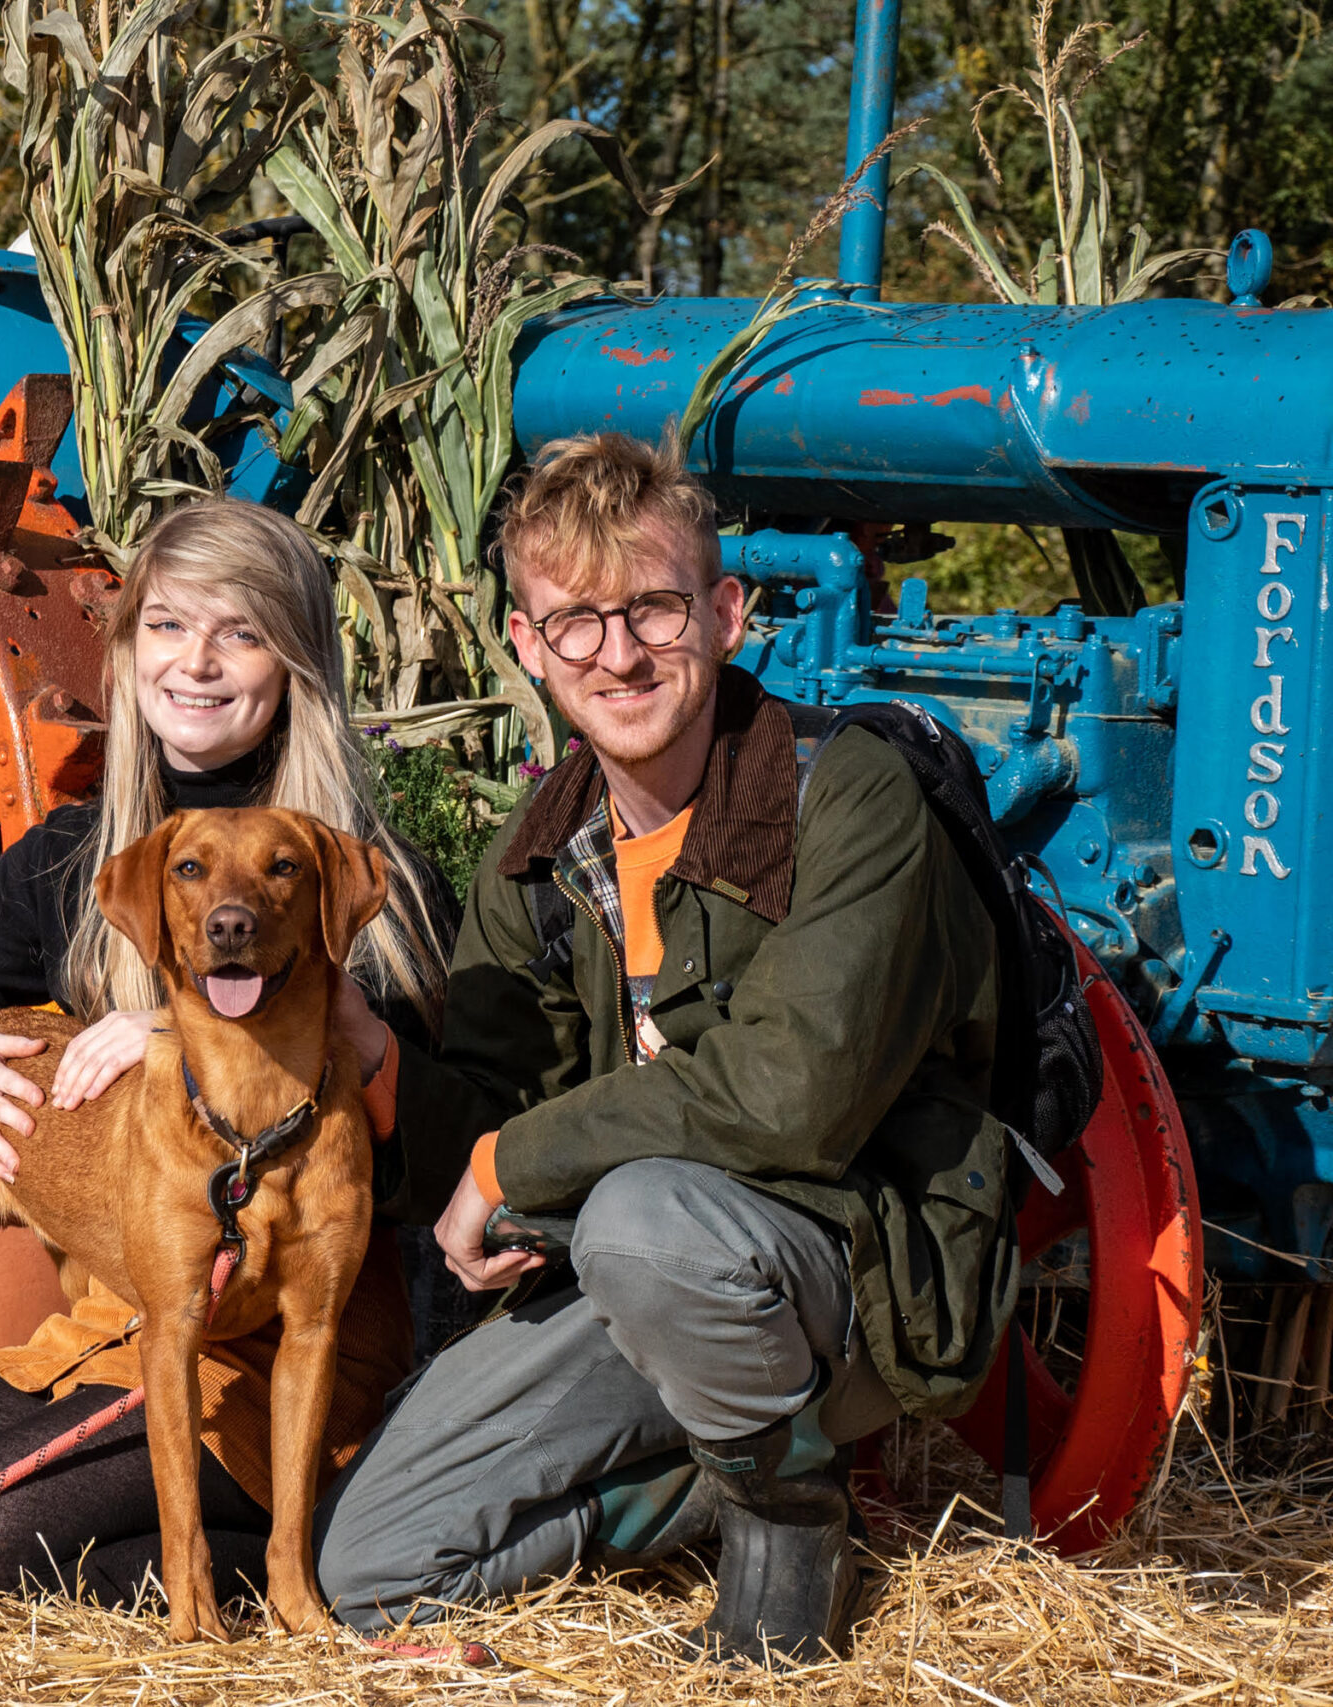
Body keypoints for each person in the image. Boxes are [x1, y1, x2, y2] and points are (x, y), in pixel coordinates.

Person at [313, 433, 1016, 1663]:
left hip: (858, 1275)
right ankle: (705, 1487)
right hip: (640, 1283)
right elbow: (483, 1123)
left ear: (726, 613)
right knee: (374, 1566)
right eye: (575, 623)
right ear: (527, 649)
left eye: (654, 609)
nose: (620, 654)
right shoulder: (534, 864)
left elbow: (786, 1100)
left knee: (641, 1214)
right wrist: (373, 1058)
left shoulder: (844, 795)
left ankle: (791, 1519)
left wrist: (514, 1163)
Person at [0, 497, 453, 1612]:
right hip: (131, 1324)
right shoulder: (72, 860)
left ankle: (294, 1563)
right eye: (167, 626)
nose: (196, 664)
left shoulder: (365, 882)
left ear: (295, 661)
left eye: (241, 633)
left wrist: (180, 1021)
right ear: (125, 650)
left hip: (304, 1349)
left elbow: (439, 1146)